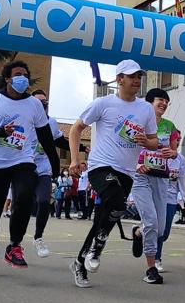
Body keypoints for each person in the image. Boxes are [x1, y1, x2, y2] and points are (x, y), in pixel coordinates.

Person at [68, 60, 160, 288]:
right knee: (118, 203)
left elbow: (155, 141)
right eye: (131, 76)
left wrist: (146, 142)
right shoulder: (103, 103)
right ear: (119, 79)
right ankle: (98, 245)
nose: (137, 80)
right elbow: (76, 129)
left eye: (139, 75)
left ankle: (80, 262)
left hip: (127, 172)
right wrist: (75, 159)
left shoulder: (145, 109)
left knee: (103, 216)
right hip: (101, 167)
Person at [0, 60, 60, 276]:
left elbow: (46, 137)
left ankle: (14, 245)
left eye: (26, 74)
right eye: (18, 74)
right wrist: (1, 132)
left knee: (23, 197)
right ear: (7, 78)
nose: (23, 78)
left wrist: (55, 164)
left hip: (23, 161)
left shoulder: (34, 104)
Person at [127, 87, 180, 276]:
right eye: (160, 100)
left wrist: (171, 153)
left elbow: (174, 152)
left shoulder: (170, 126)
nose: (164, 104)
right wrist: (135, 166)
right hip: (141, 177)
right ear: (149, 102)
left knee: (160, 230)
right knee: (151, 222)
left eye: (166, 101)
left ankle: (138, 233)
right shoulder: (137, 123)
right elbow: (125, 148)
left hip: (162, 179)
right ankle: (151, 267)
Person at [28, 89, 70, 259]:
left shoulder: (51, 123)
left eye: (44, 103)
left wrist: (81, 148)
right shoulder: (24, 120)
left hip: (43, 170)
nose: (42, 105)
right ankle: (14, 243)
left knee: (44, 201)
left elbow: (59, 141)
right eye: (38, 102)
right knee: (21, 206)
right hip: (24, 168)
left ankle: (38, 238)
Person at [157, 135, 185, 269]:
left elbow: (183, 179)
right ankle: (157, 259)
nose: (178, 141)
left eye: (179, 139)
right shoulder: (157, 155)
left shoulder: (181, 159)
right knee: (157, 229)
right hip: (156, 196)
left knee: (165, 233)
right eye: (176, 138)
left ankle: (140, 233)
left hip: (171, 198)